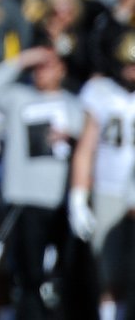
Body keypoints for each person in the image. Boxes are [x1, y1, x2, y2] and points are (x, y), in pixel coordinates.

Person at [0, 46, 85, 319]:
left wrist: (72, 140)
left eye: (48, 65)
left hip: (61, 201)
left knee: (62, 273)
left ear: (62, 69)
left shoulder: (74, 104)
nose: (41, 71)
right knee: (28, 275)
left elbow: (88, 149)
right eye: (37, 67)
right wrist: (23, 59)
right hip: (25, 199)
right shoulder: (18, 97)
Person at [69, 30, 135, 320]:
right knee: (109, 271)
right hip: (109, 189)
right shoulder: (101, 92)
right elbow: (86, 147)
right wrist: (78, 196)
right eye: (127, 63)